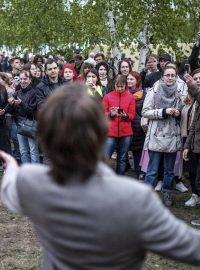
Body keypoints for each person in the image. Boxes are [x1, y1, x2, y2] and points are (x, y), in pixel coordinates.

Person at [2, 83, 200, 269]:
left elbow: (10, 184)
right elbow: (192, 247)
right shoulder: (136, 198)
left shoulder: (31, 182)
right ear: (103, 130)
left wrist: (11, 166)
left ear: (44, 138)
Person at [142, 66, 183, 206]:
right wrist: (163, 111)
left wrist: (179, 113)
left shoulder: (180, 92)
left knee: (169, 171)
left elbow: (184, 111)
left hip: (172, 136)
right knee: (152, 170)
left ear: (176, 77)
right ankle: (147, 196)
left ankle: (167, 193)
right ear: (162, 76)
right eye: (167, 75)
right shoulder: (154, 90)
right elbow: (145, 112)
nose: (170, 78)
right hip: (156, 135)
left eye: (173, 75)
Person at [103, 75, 135, 175]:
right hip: (111, 132)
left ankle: (119, 178)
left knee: (122, 158)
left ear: (125, 85)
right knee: (105, 156)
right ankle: (103, 178)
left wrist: (125, 115)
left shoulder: (130, 97)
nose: (120, 89)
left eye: (122, 86)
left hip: (126, 133)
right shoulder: (108, 96)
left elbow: (132, 115)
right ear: (114, 85)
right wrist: (111, 114)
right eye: (118, 86)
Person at [7, 70, 40, 163]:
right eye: (21, 79)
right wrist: (7, 106)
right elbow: (10, 108)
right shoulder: (17, 92)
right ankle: (26, 172)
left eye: (25, 79)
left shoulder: (34, 92)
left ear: (30, 80)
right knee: (23, 151)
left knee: (33, 151)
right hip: (20, 125)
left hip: (31, 125)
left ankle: (34, 173)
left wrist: (21, 103)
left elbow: (31, 110)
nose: (22, 81)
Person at [183, 70, 200, 216]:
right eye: (195, 79)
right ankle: (195, 195)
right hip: (193, 143)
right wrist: (187, 145)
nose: (197, 80)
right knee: (194, 174)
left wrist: (192, 86)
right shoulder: (191, 97)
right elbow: (193, 125)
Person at [127, 71, 145, 180]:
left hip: (138, 127)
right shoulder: (122, 92)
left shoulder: (143, 94)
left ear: (137, 81)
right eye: (128, 79)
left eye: (132, 79)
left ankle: (139, 173)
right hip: (125, 125)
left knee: (137, 151)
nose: (129, 81)